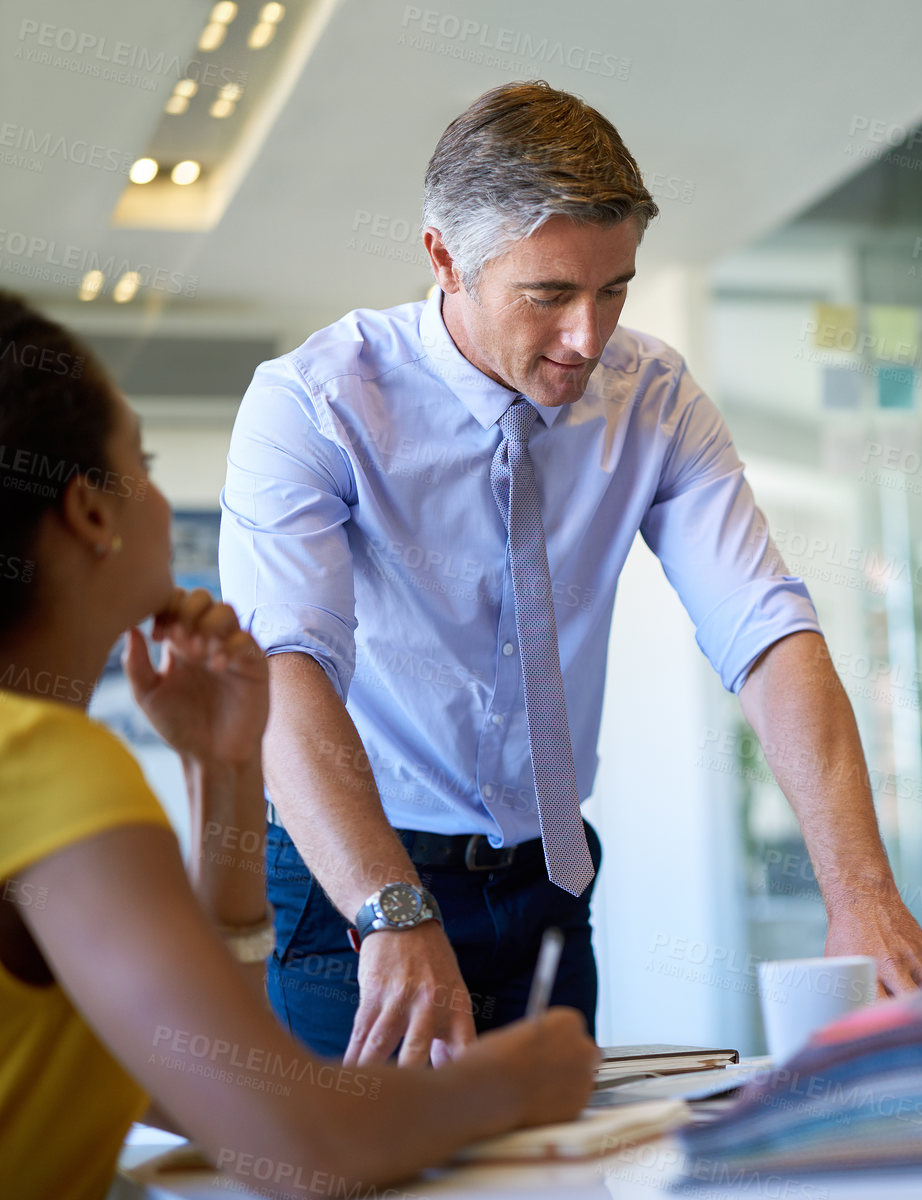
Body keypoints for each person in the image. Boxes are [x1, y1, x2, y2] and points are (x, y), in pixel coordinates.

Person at [220, 80, 922, 1065]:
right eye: (549, 294)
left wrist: (861, 896)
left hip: (548, 888)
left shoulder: (650, 396)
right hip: (353, 884)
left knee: (558, 1172)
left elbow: (767, 631)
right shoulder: (315, 404)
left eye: (614, 290)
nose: (586, 338)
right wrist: (392, 912)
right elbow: (283, 670)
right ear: (443, 257)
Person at [0, 294, 596, 1200]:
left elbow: (199, 1077)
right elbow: (303, 1145)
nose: (160, 495)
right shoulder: (46, 763)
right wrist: (520, 1076)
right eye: (145, 465)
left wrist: (230, 770)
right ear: (91, 514)